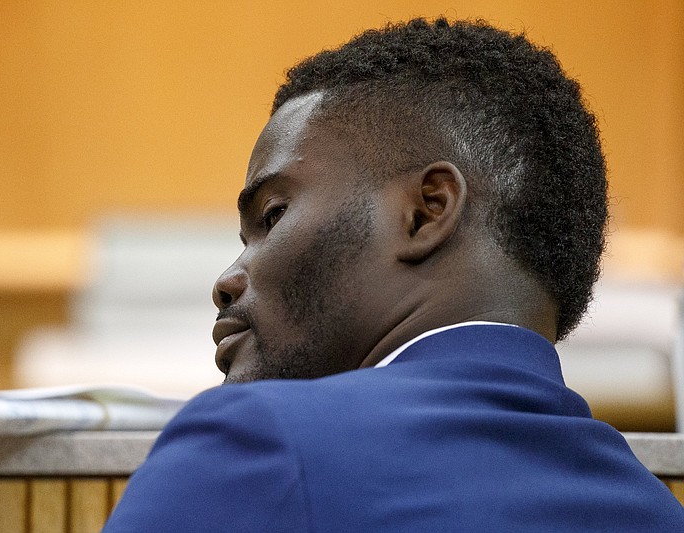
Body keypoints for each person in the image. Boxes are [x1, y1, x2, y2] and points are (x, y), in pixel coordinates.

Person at [104, 17, 684, 531]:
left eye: (273, 216)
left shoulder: (257, 448)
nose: (228, 279)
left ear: (425, 211)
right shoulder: (652, 507)